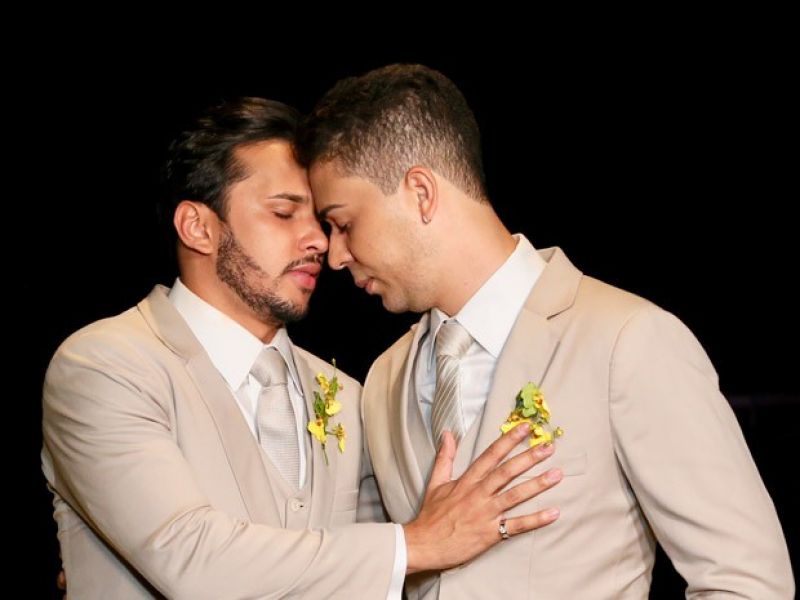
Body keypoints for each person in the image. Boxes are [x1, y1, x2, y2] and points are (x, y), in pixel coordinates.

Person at [298, 64, 795, 598]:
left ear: (421, 192)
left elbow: (746, 580)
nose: (335, 255)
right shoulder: (382, 380)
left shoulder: (627, 340)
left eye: (343, 224)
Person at [41, 97, 563, 599]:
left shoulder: (349, 395)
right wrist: (416, 543)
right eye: (284, 213)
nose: (319, 241)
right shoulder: (104, 367)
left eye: (323, 221)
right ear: (198, 227)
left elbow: (378, 580)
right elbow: (189, 557)